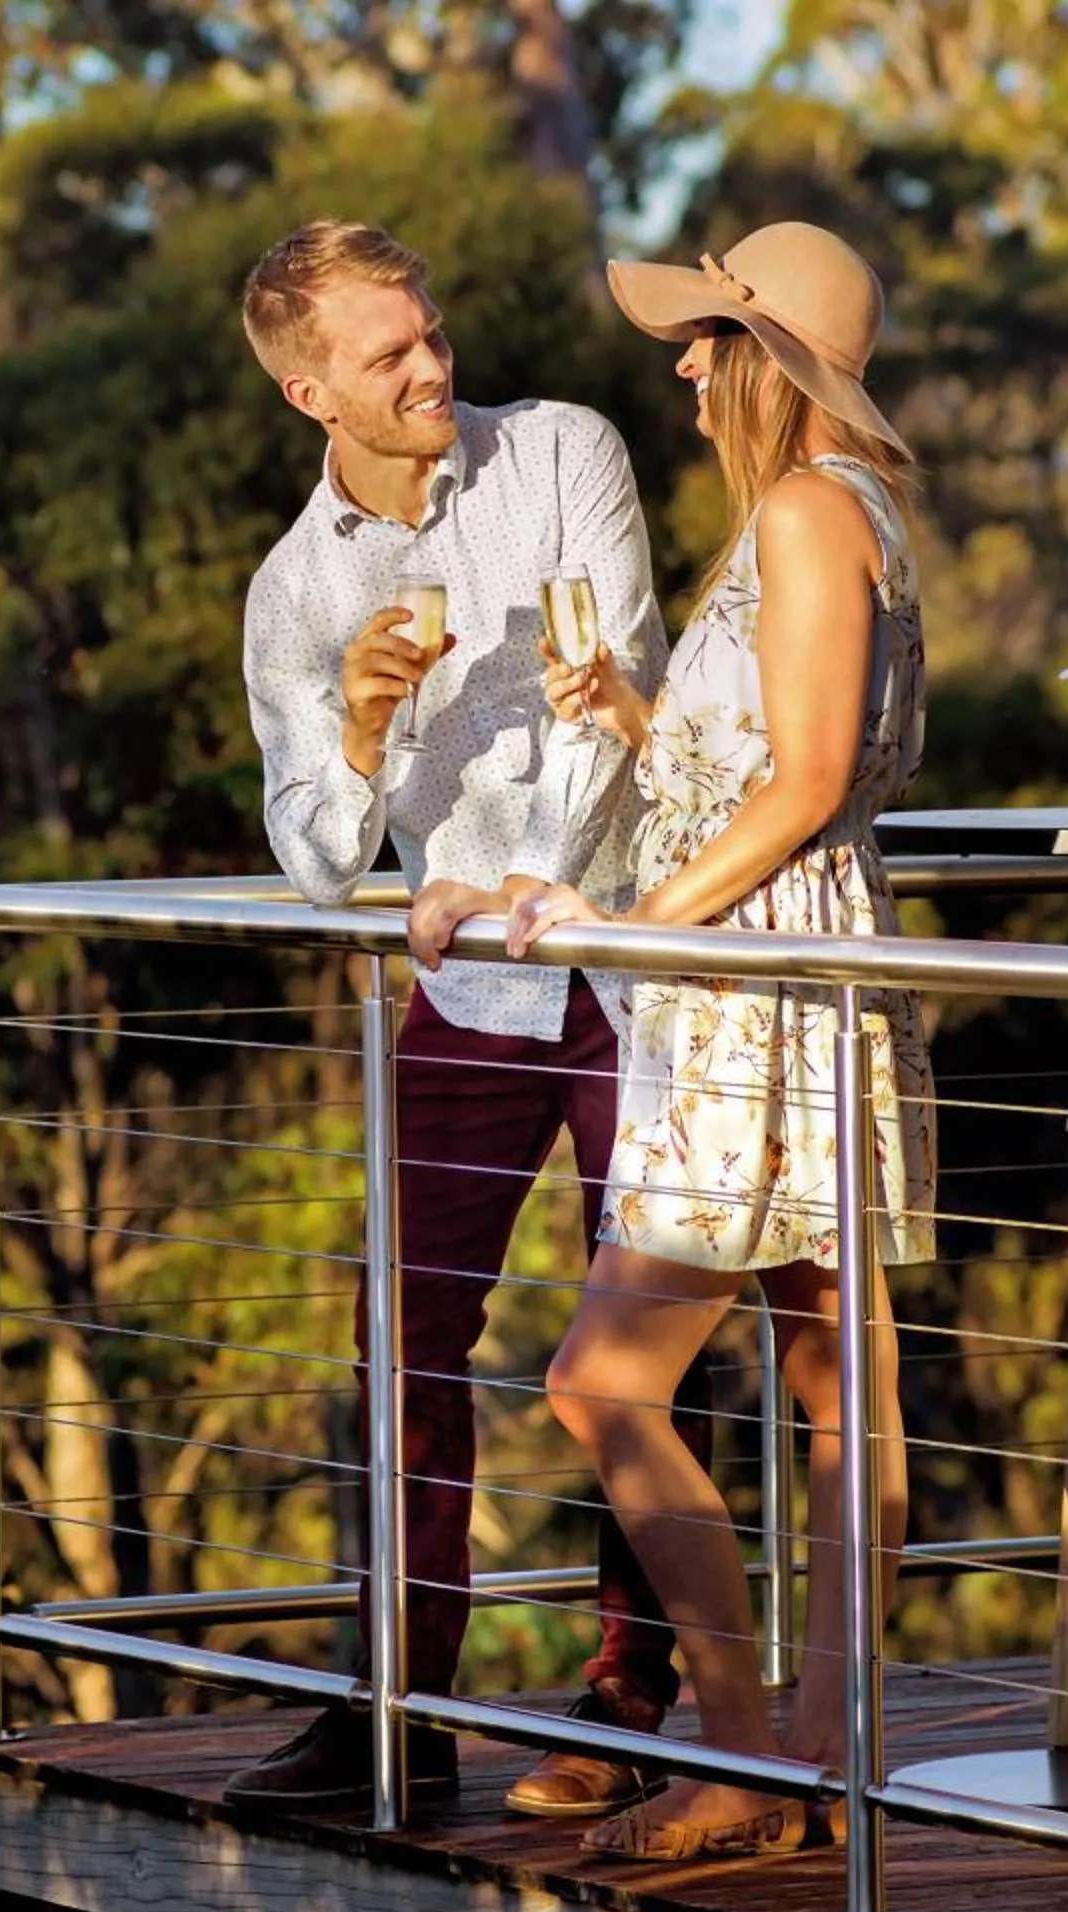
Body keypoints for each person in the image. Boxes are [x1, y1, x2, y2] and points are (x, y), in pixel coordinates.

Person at [222, 217, 712, 1818]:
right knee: (403, 1342)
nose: (434, 369)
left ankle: (632, 1697)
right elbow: (315, 857)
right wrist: (360, 731)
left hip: (626, 963)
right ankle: (396, 1708)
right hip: (469, 997)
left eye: (430, 333)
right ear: (313, 394)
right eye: (390, 356)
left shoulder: (562, 449)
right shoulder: (295, 591)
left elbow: (615, 678)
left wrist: (527, 880)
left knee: (638, 1347)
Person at [507, 220, 938, 1859]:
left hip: (759, 984)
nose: (685, 364)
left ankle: (750, 1760)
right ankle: (815, 1769)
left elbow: (811, 781)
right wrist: (636, 715)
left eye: (705, 339)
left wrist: (630, 921)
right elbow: (778, 755)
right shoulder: (831, 515)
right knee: (837, 1375)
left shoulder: (815, 512)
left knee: (600, 1377)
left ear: (770, 360)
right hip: (794, 964)